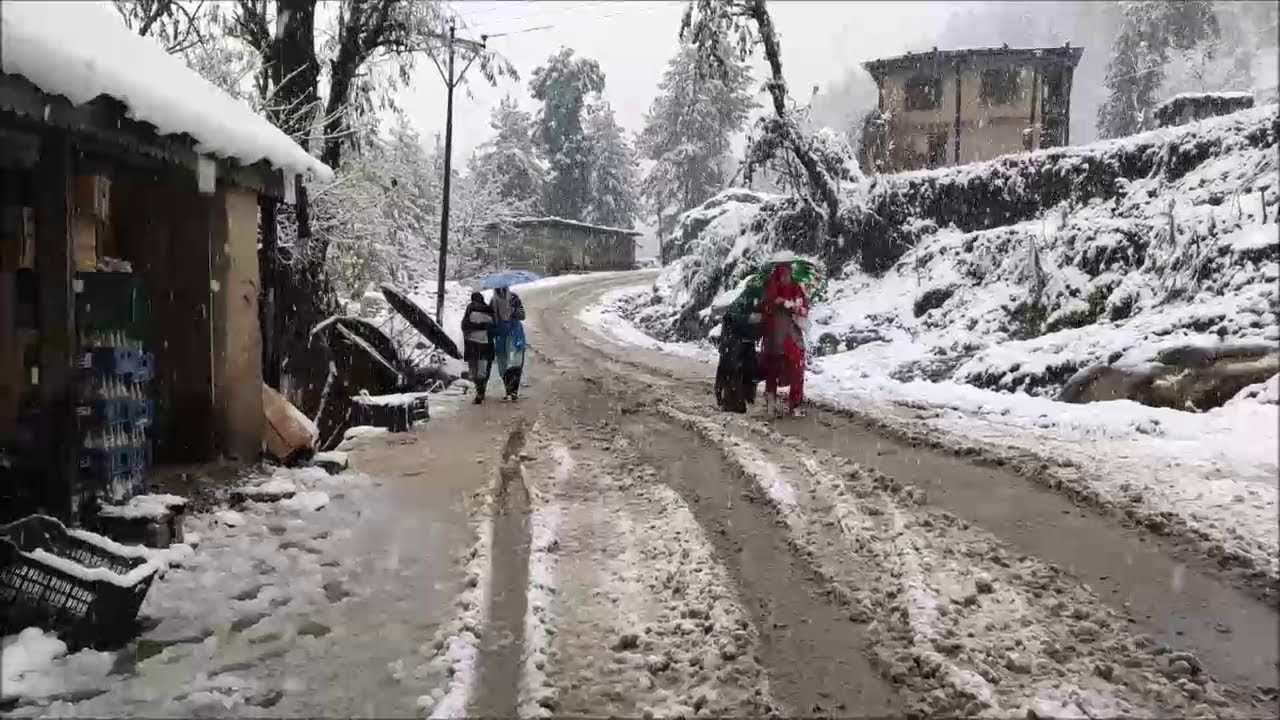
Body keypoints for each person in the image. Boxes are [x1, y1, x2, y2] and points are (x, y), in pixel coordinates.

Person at [760, 262, 809, 418]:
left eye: (788, 274)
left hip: (793, 337)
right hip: (774, 337)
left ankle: (795, 403)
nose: (785, 278)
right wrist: (777, 302)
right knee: (772, 370)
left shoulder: (796, 288)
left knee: (797, 369)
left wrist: (795, 307)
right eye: (783, 274)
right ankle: (771, 403)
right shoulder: (771, 287)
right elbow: (766, 307)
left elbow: (804, 309)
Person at [715, 285, 763, 413]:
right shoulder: (744, 302)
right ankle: (731, 403)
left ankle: (743, 398)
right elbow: (736, 319)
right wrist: (751, 320)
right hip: (732, 340)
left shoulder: (757, 303)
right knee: (732, 370)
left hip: (744, 339)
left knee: (748, 368)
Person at [490, 284, 527, 401]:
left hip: (515, 336)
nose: (501, 291)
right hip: (501, 337)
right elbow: (491, 320)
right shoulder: (493, 302)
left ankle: (514, 391)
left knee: (516, 364)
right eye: (498, 289)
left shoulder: (514, 298)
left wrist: (513, 311)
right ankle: (508, 390)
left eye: (503, 288)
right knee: (503, 366)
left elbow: (523, 315)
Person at [460, 291, 495, 404]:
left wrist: (475, 328)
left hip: (474, 345)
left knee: (477, 370)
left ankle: (480, 391)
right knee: (481, 370)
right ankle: (481, 390)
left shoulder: (471, 309)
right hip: (483, 345)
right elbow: (493, 328)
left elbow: (464, 326)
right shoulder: (487, 310)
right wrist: (483, 327)